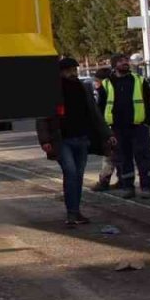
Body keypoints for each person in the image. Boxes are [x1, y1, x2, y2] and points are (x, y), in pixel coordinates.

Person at [37, 57, 114, 226]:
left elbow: (95, 114)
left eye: (75, 70)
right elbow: (43, 118)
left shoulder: (83, 88)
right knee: (71, 173)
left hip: (82, 138)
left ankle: (75, 212)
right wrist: (45, 140)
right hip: (62, 140)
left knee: (77, 176)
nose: (73, 73)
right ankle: (71, 213)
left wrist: (107, 134)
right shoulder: (52, 90)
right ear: (61, 72)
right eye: (69, 70)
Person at [97, 52, 150, 199]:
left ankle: (146, 187)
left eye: (126, 60)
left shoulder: (139, 80)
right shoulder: (106, 84)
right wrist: (104, 128)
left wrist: (147, 122)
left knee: (143, 157)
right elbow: (101, 107)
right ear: (114, 65)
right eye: (120, 61)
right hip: (117, 128)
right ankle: (127, 186)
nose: (125, 63)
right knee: (123, 158)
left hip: (138, 127)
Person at [90, 67, 116, 191]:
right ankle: (123, 180)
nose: (95, 83)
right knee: (118, 155)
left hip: (108, 127)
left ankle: (104, 181)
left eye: (96, 80)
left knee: (109, 156)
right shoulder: (113, 89)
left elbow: (97, 110)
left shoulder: (101, 91)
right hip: (115, 126)